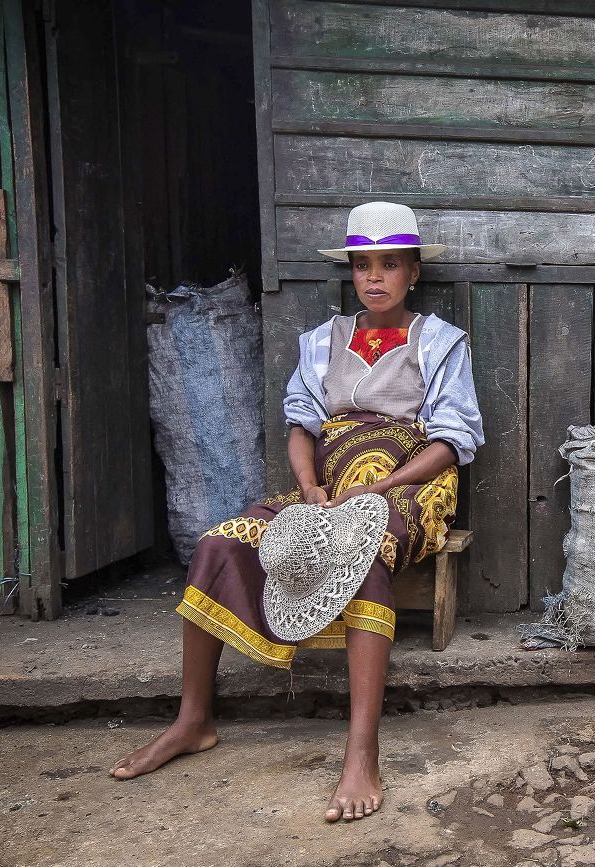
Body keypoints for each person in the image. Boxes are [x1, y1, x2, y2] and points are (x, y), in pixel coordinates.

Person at [110, 202, 483, 823]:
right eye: (364, 265)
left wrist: (383, 485)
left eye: (390, 265)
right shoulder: (321, 341)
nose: (375, 277)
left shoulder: (440, 343)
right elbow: (301, 426)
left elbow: (453, 441)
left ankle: (361, 750)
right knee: (221, 541)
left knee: (356, 544)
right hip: (329, 484)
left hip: (409, 485)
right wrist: (308, 486)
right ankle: (193, 719)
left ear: (413, 272)